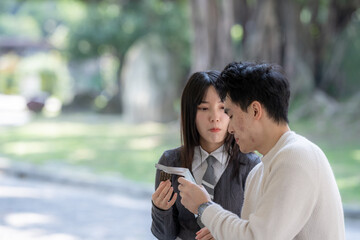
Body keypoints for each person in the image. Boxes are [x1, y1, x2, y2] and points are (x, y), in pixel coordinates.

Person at [178, 62, 345, 240]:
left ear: (255, 110)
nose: (230, 128)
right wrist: (224, 232)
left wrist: (204, 207)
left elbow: (257, 237)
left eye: (231, 115)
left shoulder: (297, 157)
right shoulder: (258, 172)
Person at [151, 70, 260, 240]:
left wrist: (225, 232)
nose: (215, 117)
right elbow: (164, 235)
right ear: (190, 113)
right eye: (204, 108)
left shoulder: (251, 165)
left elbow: (258, 232)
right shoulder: (170, 163)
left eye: (223, 108)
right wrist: (160, 209)